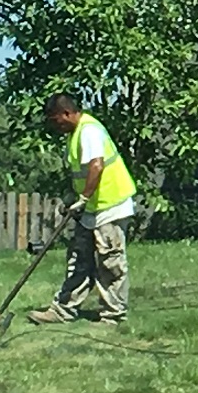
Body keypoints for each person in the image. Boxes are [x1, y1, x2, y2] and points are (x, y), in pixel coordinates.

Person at [26, 94, 136, 325]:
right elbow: (81, 172)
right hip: (92, 209)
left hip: (111, 206)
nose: (55, 126)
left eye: (56, 120)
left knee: (110, 263)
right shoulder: (74, 135)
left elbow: (97, 165)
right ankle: (63, 310)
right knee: (79, 259)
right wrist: (75, 199)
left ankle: (112, 314)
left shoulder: (89, 131)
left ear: (67, 113)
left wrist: (84, 197)